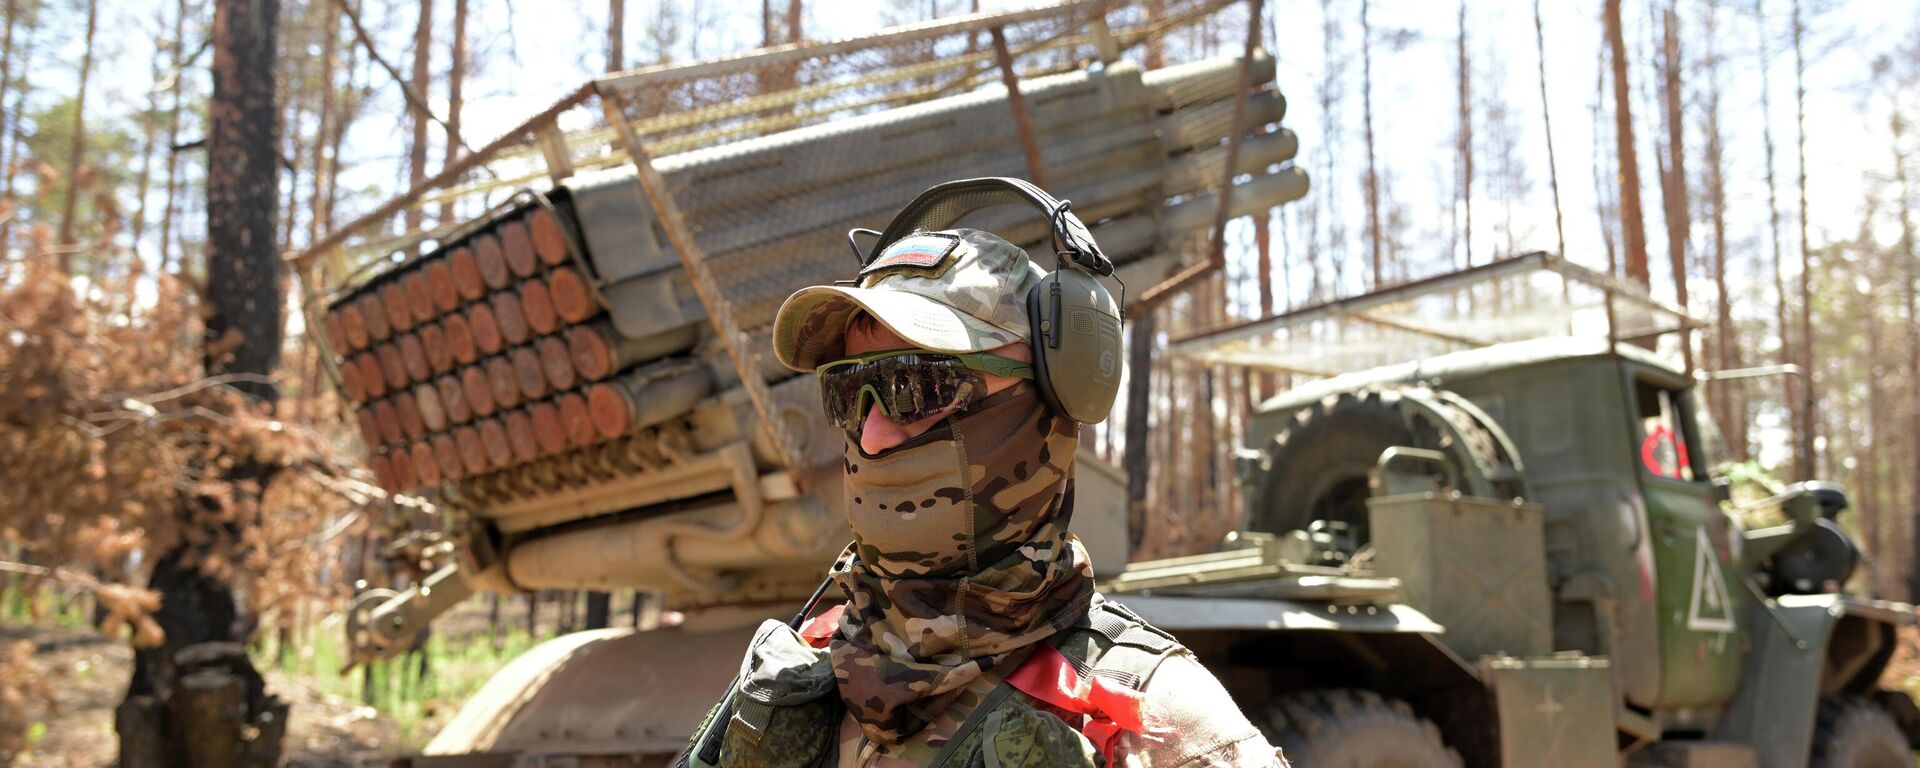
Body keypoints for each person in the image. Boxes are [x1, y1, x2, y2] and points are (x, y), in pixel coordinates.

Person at [681, 183, 1285, 768]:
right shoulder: (804, 669)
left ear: (1050, 395)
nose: (871, 434)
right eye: (849, 393)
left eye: (916, 388)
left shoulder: (1151, 726)